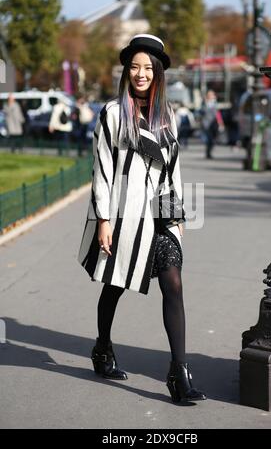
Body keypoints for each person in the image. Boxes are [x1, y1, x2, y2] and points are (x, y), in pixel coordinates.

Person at [77, 34, 206, 404]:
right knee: (114, 284)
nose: (140, 73)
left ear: (159, 72)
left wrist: (178, 217)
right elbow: (101, 169)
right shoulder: (112, 113)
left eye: (148, 67)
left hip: (160, 216)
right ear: (126, 70)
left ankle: (178, 372)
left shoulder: (169, 117)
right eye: (134, 66)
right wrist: (104, 219)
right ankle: (102, 348)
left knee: (174, 283)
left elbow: (175, 170)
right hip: (122, 215)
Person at [201, 90, 224, 159]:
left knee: (213, 139)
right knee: (209, 138)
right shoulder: (204, 103)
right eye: (210, 95)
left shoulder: (215, 103)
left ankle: (209, 151)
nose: (212, 96)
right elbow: (202, 112)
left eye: (213, 95)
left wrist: (220, 122)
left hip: (214, 124)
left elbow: (217, 114)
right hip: (206, 124)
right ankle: (208, 153)